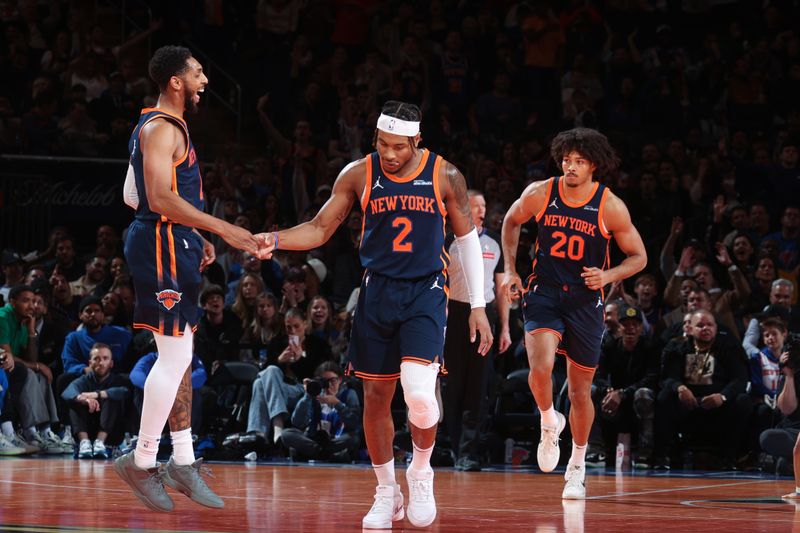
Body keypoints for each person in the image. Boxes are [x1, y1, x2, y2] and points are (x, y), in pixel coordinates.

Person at [259, 100, 493, 529]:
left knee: (420, 395)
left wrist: (476, 304)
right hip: (377, 291)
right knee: (376, 397)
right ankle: (387, 491)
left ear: (417, 141)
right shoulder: (358, 173)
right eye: (383, 145)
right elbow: (319, 227)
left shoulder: (445, 174)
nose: (389, 154)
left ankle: (420, 471)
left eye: (399, 147)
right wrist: (274, 239)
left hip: (425, 291)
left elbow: (466, 242)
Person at [113, 45, 266, 513]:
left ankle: (181, 458)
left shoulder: (158, 126)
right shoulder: (161, 128)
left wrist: (191, 233)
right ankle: (140, 461)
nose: (204, 80)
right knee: (175, 353)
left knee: (181, 354)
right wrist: (221, 228)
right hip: (158, 241)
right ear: (175, 81)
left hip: (169, 239)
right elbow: (155, 197)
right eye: (198, 73)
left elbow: (129, 192)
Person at [500, 127, 646, 500]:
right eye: (566, 160)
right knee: (541, 367)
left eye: (579, 161)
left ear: (594, 165)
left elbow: (639, 257)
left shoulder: (610, 205)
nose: (570, 167)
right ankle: (550, 420)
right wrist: (512, 269)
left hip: (585, 301)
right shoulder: (541, 192)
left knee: (581, 391)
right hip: (545, 292)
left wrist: (608, 276)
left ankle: (577, 465)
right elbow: (511, 221)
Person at [443, 189, 512, 472]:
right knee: (453, 386)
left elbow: (501, 289)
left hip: (484, 315)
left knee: (478, 386)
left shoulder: (495, 242)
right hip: (454, 314)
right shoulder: (449, 240)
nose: (481, 210)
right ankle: (453, 446)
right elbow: (440, 283)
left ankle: (468, 452)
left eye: (484, 205)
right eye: (475, 205)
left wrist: (505, 327)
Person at [281, 361, 361, 462]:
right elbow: (297, 422)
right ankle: (327, 455)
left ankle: (315, 454)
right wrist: (307, 395)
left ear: (340, 379)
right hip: (315, 440)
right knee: (286, 434)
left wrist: (337, 404)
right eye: (325, 382)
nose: (329, 386)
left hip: (336, 441)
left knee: (354, 438)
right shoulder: (314, 396)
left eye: (333, 380)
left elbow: (354, 423)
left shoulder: (349, 394)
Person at [62, 343, 130, 459]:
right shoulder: (84, 380)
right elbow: (68, 392)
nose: (101, 363)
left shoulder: (119, 380)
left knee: (111, 397)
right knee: (75, 400)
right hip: (87, 430)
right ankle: (84, 443)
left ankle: (100, 442)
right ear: (90, 363)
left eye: (105, 358)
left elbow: (124, 391)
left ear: (111, 363)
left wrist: (97, 394)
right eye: (96, 359)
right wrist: (82, 399)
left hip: (111, 433)